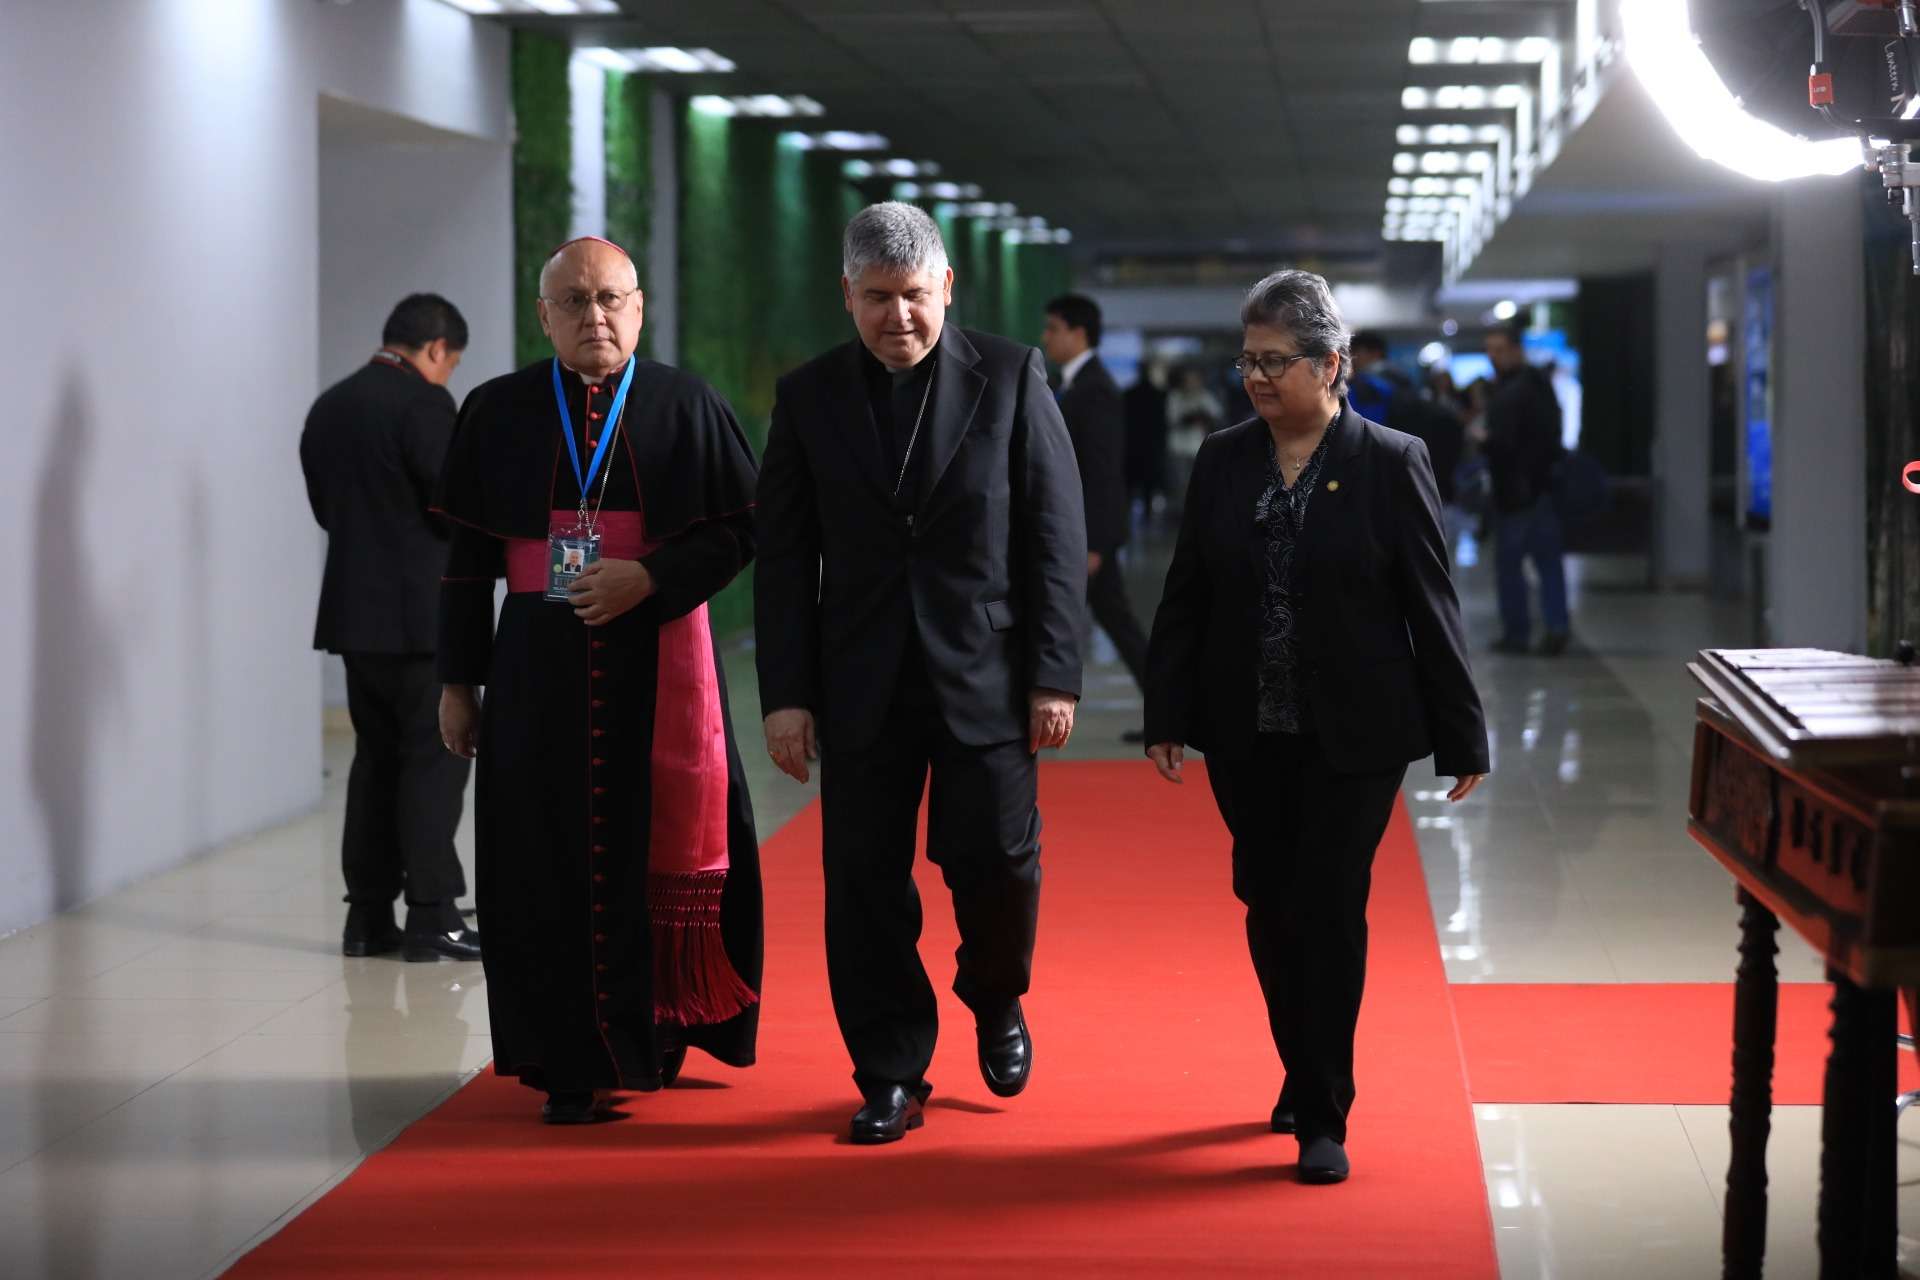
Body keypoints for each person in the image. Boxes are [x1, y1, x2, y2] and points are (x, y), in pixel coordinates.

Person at [1143, 270, 1489, 1185]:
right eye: (1247, 360)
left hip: (1356, 734)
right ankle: (1299, 1066)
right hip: (1246, 727)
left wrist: (1463, 734)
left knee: (1329, 909)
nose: (1255, 378)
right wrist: (1165, 710)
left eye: (1275, 362)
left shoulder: (1391, 459)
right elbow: (1187, 593)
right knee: (1266, 899)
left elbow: (1431, 603)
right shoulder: (1223, 458)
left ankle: (1323, 1109)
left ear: (1331, 364)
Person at [756, 203, 1085, 1145]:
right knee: (863, 882)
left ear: (946, 288)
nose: (897, 317)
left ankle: (994, 992)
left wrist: (1054, 675)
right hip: (859, 681)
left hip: (986, 672)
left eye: (913, 296)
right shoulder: (809, 396)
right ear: (846, 298)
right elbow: (784, 558)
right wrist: (787, 696)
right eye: (875, 300)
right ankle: (891, 1069)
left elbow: (1056, 537)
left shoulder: (1015, 376)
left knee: (995, 863)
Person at [433, 237, 763, 1125]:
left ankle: (652, 1033)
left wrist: (650, 578)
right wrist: (458, 681)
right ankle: (565, 1060)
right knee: (541, 858)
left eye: (611, 298)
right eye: (574, 303)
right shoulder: (497, 412)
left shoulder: (687, 405)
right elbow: (467, 561)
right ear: (544, 316)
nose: (596, 318)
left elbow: (738, 532)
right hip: (537, 667)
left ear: (641, 306)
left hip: (658, 655)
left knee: (654, 844)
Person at [300, 293, 481, 964]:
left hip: (353, 617)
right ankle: (434, 914)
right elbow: (452, 505)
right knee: (436, 763)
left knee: (375, 763)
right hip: (422, 620)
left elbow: (326, 510)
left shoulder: (331, 405)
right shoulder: (425, 405)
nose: (448, 376)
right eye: (451, 363)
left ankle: (369, 917)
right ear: (437, 349)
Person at [1041, 293, 1149, 739]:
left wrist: (1096, 543)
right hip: (1076, 531)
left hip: (1085, 535)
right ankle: (1167, 710)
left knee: (1086, 620)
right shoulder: (1070, 384)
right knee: (1114, 620)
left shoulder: (1095, 388)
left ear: (1078, 333)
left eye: (1053, 329)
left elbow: (1103, 470)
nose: (1046, 339)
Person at [1483, 321, 1570, 655]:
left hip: (1519, 492)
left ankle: (1518, 633)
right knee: (1547, 564)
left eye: (1499, 350)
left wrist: (1487, 442)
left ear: (1516, 349)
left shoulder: (1516, 390)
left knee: (1511, 566)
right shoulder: (1533, 384)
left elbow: (1508, 442)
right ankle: (1554, 627)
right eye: (1489, 350)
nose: (1493, 356)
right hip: (1538, 488)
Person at [1351, 331, 1467, 558]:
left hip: (1378, 484)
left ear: (1371, 353)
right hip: (1414, 476)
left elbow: (1363, 435)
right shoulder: (1406, 383)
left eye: (1355, 353)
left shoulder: (1368, 388)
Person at [1123, 358, 1170, 518]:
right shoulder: (1159, 395)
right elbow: (1163, 425)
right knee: (1148, 487)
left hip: (1132, 446)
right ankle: (1147, 518)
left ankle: (1127, 517)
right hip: (1151, 448)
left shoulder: (1128, 394)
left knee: (1131, 486)